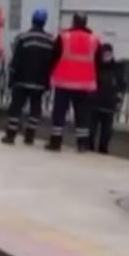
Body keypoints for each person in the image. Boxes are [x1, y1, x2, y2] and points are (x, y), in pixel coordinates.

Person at [46, 13, 101, 152]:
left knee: (59, 112)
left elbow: (54, 57)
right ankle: (82, 144)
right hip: (85, 84)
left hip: (64, 82)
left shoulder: (64, 37)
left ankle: (55, 143)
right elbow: (99, 62)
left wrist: (50, 75)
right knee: (82, 114)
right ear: (86, 22)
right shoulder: (94, 40)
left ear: (74, 22)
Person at [2, 8, 54, 146]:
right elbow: (51, 63)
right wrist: (48, 82)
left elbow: (16, 61)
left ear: (33, 20)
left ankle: (10, 136)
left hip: (22, 80)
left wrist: (11, 79)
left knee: (16, 107)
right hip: (40, 82)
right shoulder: (50, 41)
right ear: (44, 22)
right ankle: (30, 136)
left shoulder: (23, 38)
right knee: (35, 108)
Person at [89, 43, 126, 153]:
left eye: (108, 54)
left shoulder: (117, 68)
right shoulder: (96, 66)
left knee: (106, 131)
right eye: (104, 54)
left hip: (109, 104)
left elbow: (122, 85)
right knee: (91, 128)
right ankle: (90, 147)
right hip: (95, 102)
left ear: (111, 54)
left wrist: (118, 100)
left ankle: (103, 149)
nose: (106, 56)